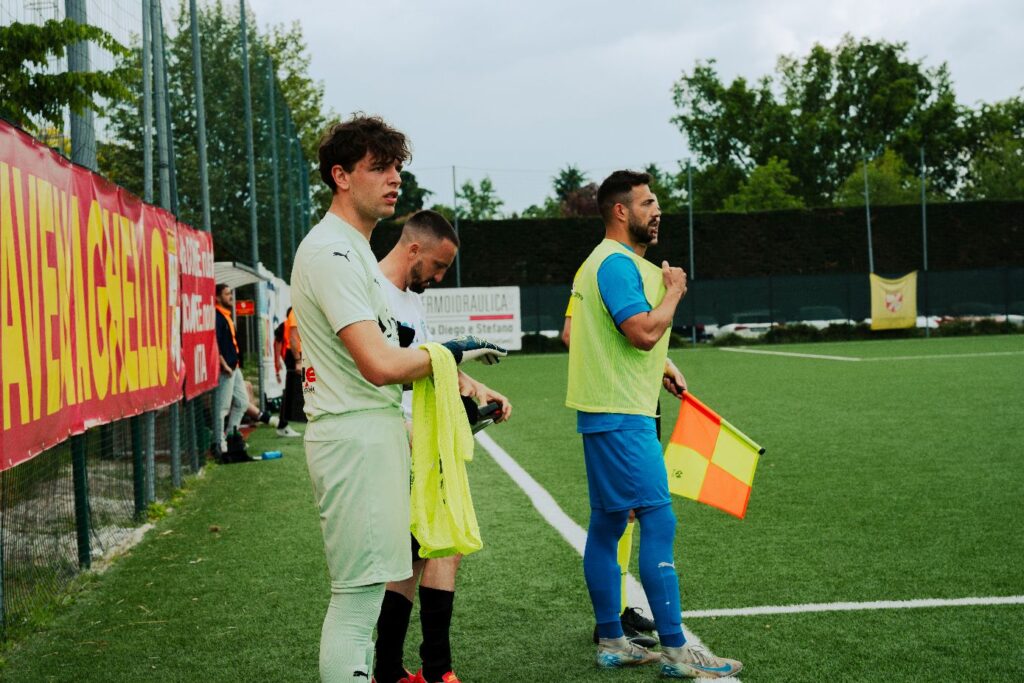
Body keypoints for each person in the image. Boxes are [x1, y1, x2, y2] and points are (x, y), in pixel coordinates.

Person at [290, 114, 506, 683]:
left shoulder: (356, 250)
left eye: (397, 169)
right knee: (356, 601)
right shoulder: (331, 253)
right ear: (341, 176)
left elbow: (392, 365)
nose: (394, 180)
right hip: (353, 437)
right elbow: (381, 365)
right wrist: (454, 352)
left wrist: (458, 383)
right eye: (378, 168)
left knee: (370, 598)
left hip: (376, 433)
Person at [565, 170, 742, 678]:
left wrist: (661, 364)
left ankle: (613, 640)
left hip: (605, 413)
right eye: (647, 203)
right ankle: (678, 651)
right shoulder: (617, 264)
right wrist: (674, 292)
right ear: (621, 211)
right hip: (623, 416)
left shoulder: (599, 261)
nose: (657, 210)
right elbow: (641, 332)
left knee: (608, 525)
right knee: (659, 521)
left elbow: (604, 335)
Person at [373, 210, 512, 683]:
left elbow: (430, 362)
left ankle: (390, 671)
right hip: (397, 438)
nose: (437, 278)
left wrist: (477, 387)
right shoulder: (371, 291)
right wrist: (403, 428)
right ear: (414, 249)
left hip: (419, 436)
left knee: (412, 553)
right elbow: (375, 371)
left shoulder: (411, 300)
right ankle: (436, 671)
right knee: (443, 545)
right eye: (437, 266)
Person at [214, 284, 272, 452]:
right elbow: (215, 343)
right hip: (226, 369)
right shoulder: (217, 316)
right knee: (222, 408)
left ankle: (230, 436)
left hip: (235, 367)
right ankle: (219, 443)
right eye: (227, 294)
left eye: (230, 293)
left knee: (242, 402)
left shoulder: (226, 315)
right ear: (217, 297)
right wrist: (224, 364)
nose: (231, 296)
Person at [275, 307, 302, 437]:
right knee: (291, 391)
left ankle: (283, 425)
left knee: (298, 390)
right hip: (294, 357)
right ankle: (282, 425)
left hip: (295, 356)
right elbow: (290, 339)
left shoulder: (295, 314)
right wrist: (298, 360)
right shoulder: (295, 313)